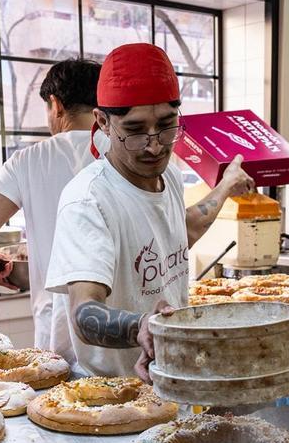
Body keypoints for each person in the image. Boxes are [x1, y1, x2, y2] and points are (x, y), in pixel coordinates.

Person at [46, 43, 254, 379]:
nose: (155, 145)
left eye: (167, 125)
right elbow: (84, 313)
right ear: (103, 122)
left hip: (170, 377)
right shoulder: (89, 200)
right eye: (135, 130)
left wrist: (227, 185)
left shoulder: (167, 174)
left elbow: (179, 231)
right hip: (109, 396)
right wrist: (140, 325)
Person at [0, 58, 102, 363]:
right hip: (123, 324)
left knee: (59, 407)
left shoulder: (29, 160)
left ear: (56, 104)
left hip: (60, 329)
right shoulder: (127, 156)